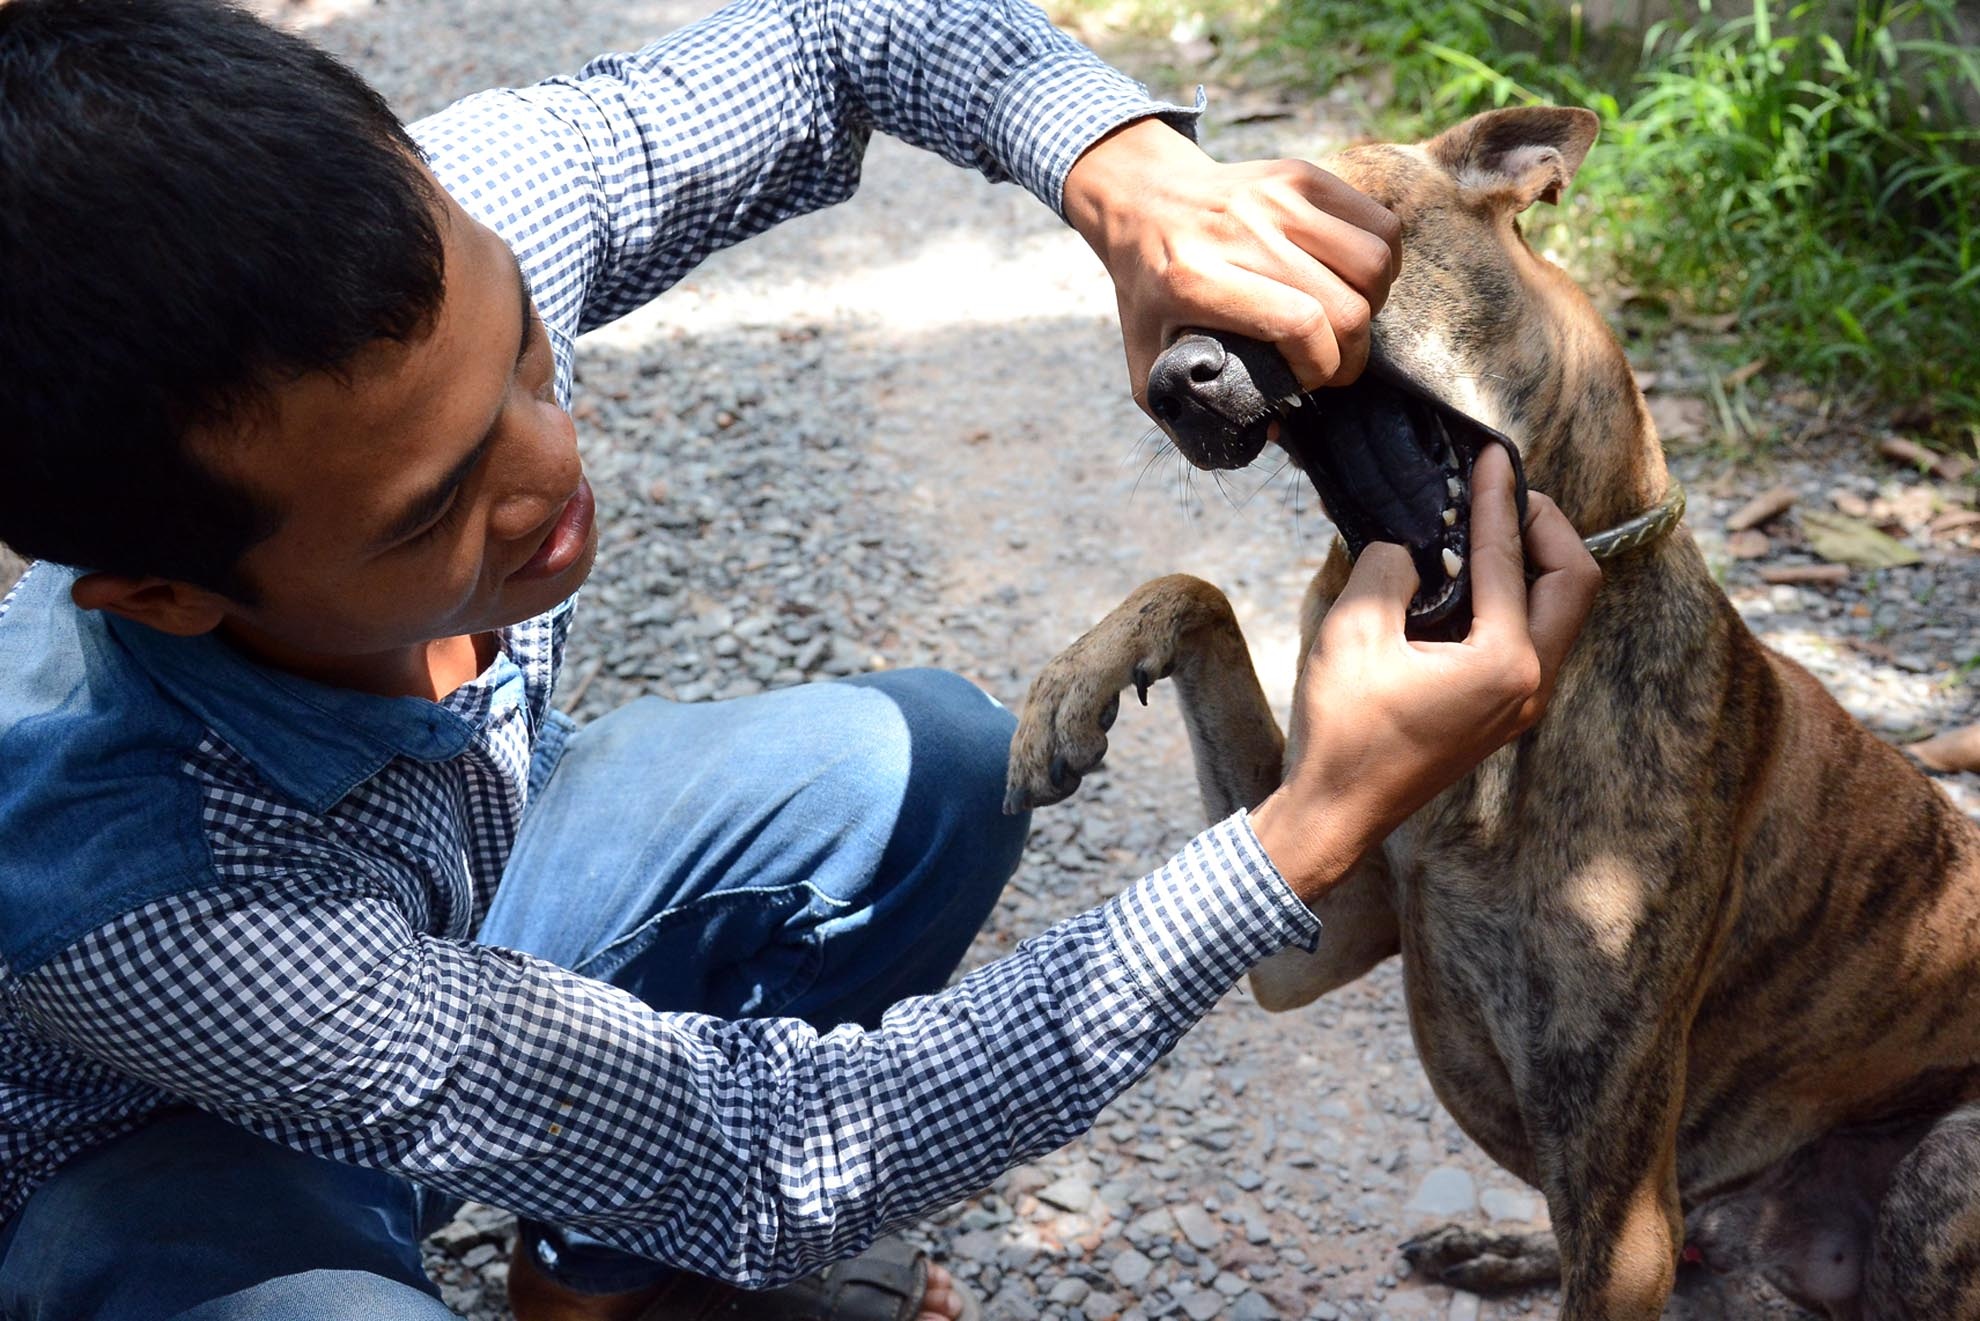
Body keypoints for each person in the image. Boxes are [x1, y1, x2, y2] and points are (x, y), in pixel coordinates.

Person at [0, 0, 1603, 1317]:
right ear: (156, 592)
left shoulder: (428, 260)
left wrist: (1134, 180)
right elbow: (775, 1145)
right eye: (435, 509)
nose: (552, 465)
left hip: (445, 932)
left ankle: (599, 1278)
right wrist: (1309, 827)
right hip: (178, 1141)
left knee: (931, 766)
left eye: (524, 356)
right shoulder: (129, 886)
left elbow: (852, 32)